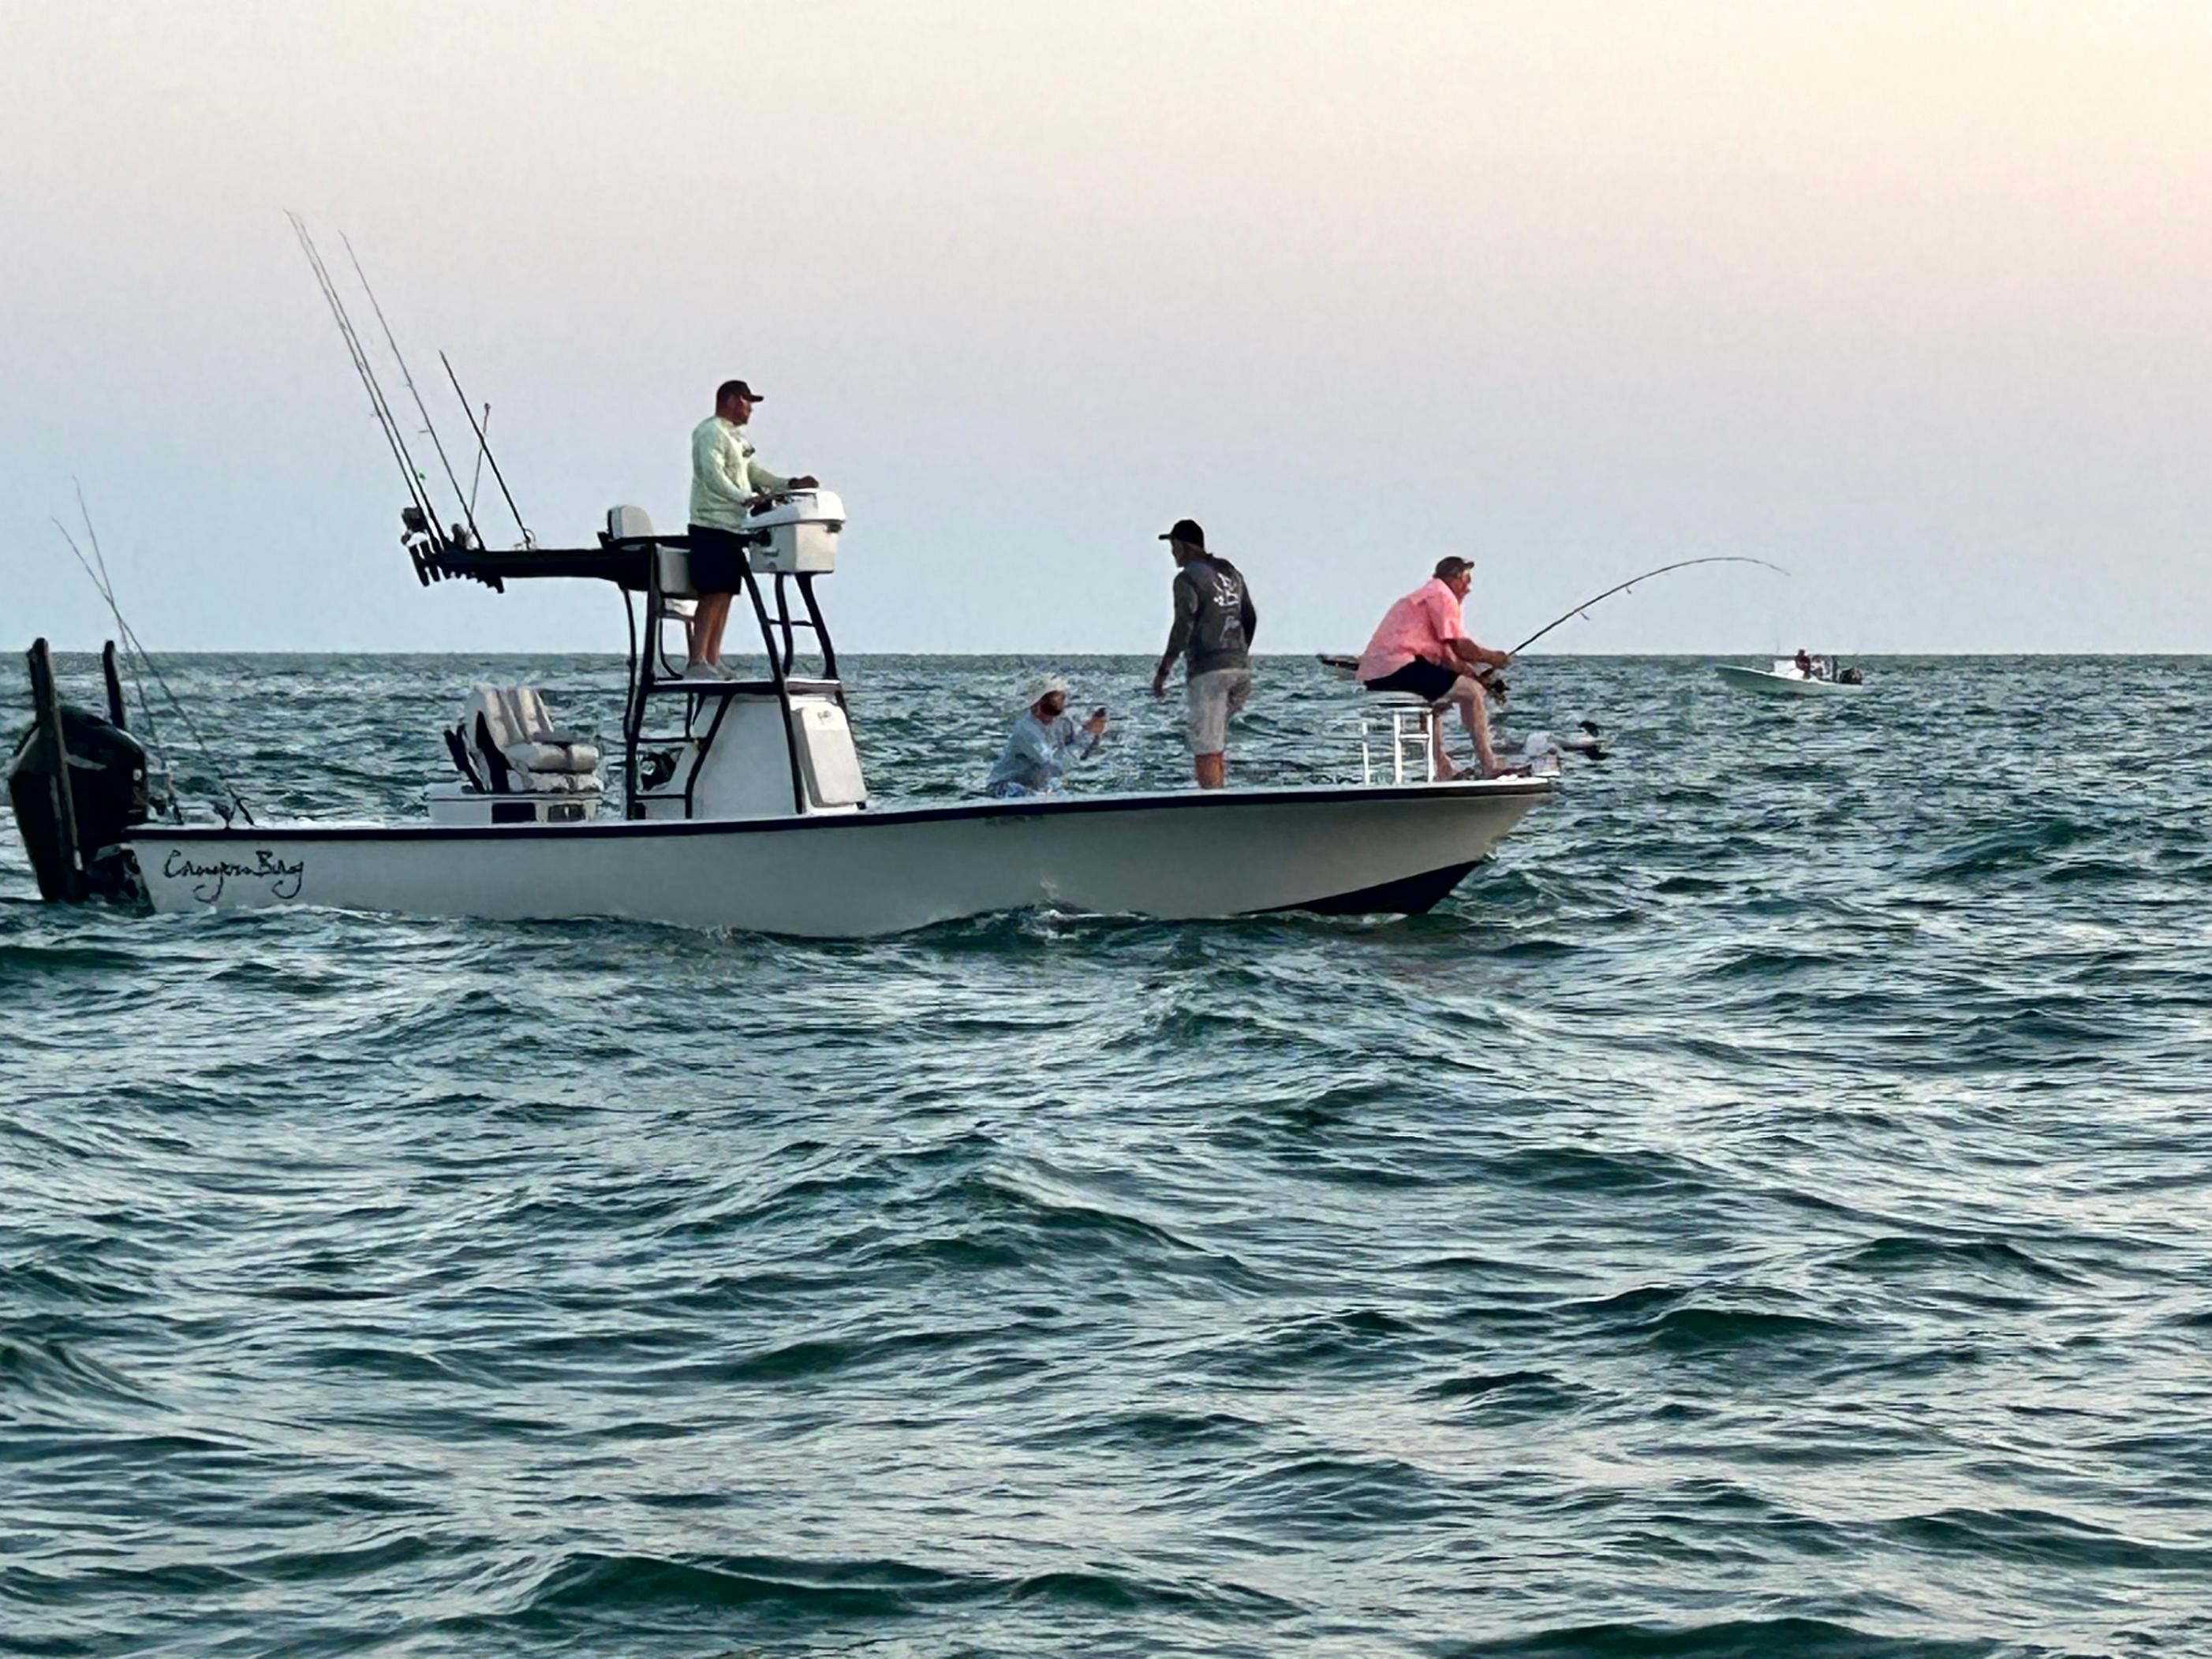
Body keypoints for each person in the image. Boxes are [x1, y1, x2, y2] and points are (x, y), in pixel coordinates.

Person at [686, 379, 818, 679]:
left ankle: (712, 658)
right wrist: (745, 498)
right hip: (711, 524)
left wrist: (789, 485)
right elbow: (712, 475)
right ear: (732, 400)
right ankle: (696, 662)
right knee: (711, 592)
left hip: (735, 527)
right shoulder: (710, 432)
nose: (750, 410)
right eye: (747, 402)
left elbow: (754, 473)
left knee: (726, 593)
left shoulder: (737, 438)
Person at [1354, 556, 1511, 779]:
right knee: (1472, 693)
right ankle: (1489, 766)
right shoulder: (1442, 595)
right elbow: (1461, 647)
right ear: (1453, 579)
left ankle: (1443, 770)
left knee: (1443, 695)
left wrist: (1477, 676)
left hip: (1380, 671)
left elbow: (1450, 659)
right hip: (1399, 666)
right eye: (1466, 580)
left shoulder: (1427, 595)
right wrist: (1495, 658)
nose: (1468, 588)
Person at [1149, 519, 1255, 790]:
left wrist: (1163, 671)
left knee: (1205, 745)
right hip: (1240, 670)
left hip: (1209, 670)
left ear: (1183, 546)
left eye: (1173, 546)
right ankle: (1220, 792)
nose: (1172, 553)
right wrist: (1239, 652)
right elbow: (1250, 617)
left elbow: (1183, 625)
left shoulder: (1187, 578)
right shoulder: (1230, 572)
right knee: (1214, 738)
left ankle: (1213, 805)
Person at [985, 674, 1108, 798]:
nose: (1062, 703)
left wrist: (1093, 732)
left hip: (1037, 787)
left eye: (1062, 698)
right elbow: (1053, 766)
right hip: (1004, 787)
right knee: (1029, 795)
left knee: (1061, 795)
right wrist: (1087, 737)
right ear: (1037, 704)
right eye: (1055, 699)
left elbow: (1082, 754)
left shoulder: (1063, 722)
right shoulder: (1026, 730)